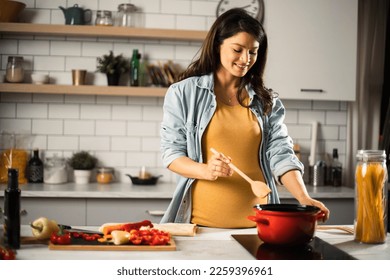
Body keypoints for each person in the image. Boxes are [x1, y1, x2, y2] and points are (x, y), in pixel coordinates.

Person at [160, 8, 330, 228]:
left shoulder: (266, 100)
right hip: (200, 227)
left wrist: (304, 198)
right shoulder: (184, 93)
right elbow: (171, 154)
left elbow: (281, 154)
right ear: (217, 46)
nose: (246, 59)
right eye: (237, 49)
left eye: (253, 52)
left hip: (260, 227)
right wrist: (206, 170)